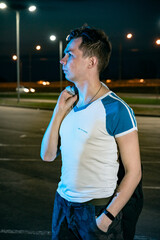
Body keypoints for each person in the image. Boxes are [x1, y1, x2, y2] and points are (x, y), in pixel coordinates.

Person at [40, 26, 142, 240]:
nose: (62, 60)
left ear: (91, 62)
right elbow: (47, 155)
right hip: (62, 207)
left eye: (70, 54)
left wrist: (107, 217)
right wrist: (58, 112)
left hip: (96, 211)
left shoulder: (116, 110)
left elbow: (134, 173)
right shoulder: (69, 104)